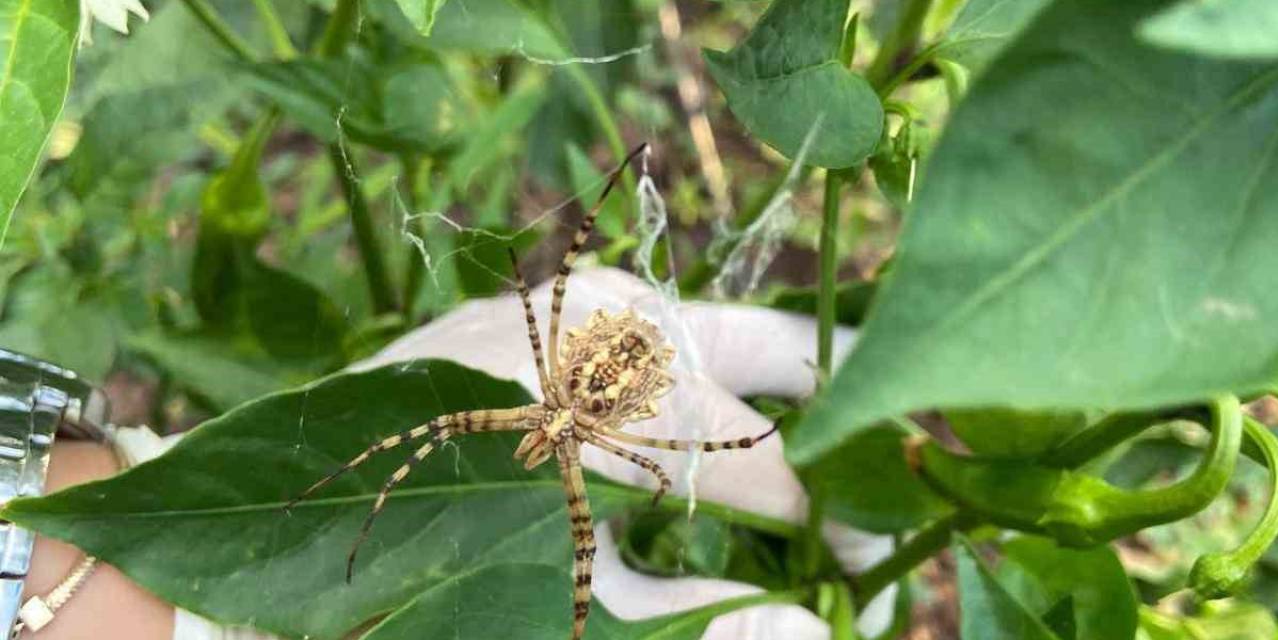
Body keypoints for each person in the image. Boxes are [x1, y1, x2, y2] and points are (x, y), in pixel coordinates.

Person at [23, 268, 892, 639]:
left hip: (585, 410)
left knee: (573, 542)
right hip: (561, 416)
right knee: (429, 430)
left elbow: (661, 445)